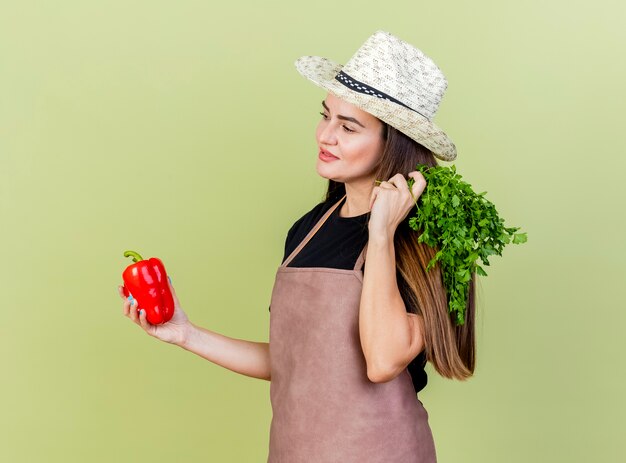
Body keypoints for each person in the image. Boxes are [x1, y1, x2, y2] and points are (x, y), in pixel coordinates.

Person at [117, 30, 476, 462]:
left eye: (348, 126)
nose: (325, 135)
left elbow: (383, 362)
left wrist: (380, 234)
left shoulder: (426, 241)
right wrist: (185, 333)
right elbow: (296, 363)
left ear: (393, 143)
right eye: (326, 116)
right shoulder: (308, 229)